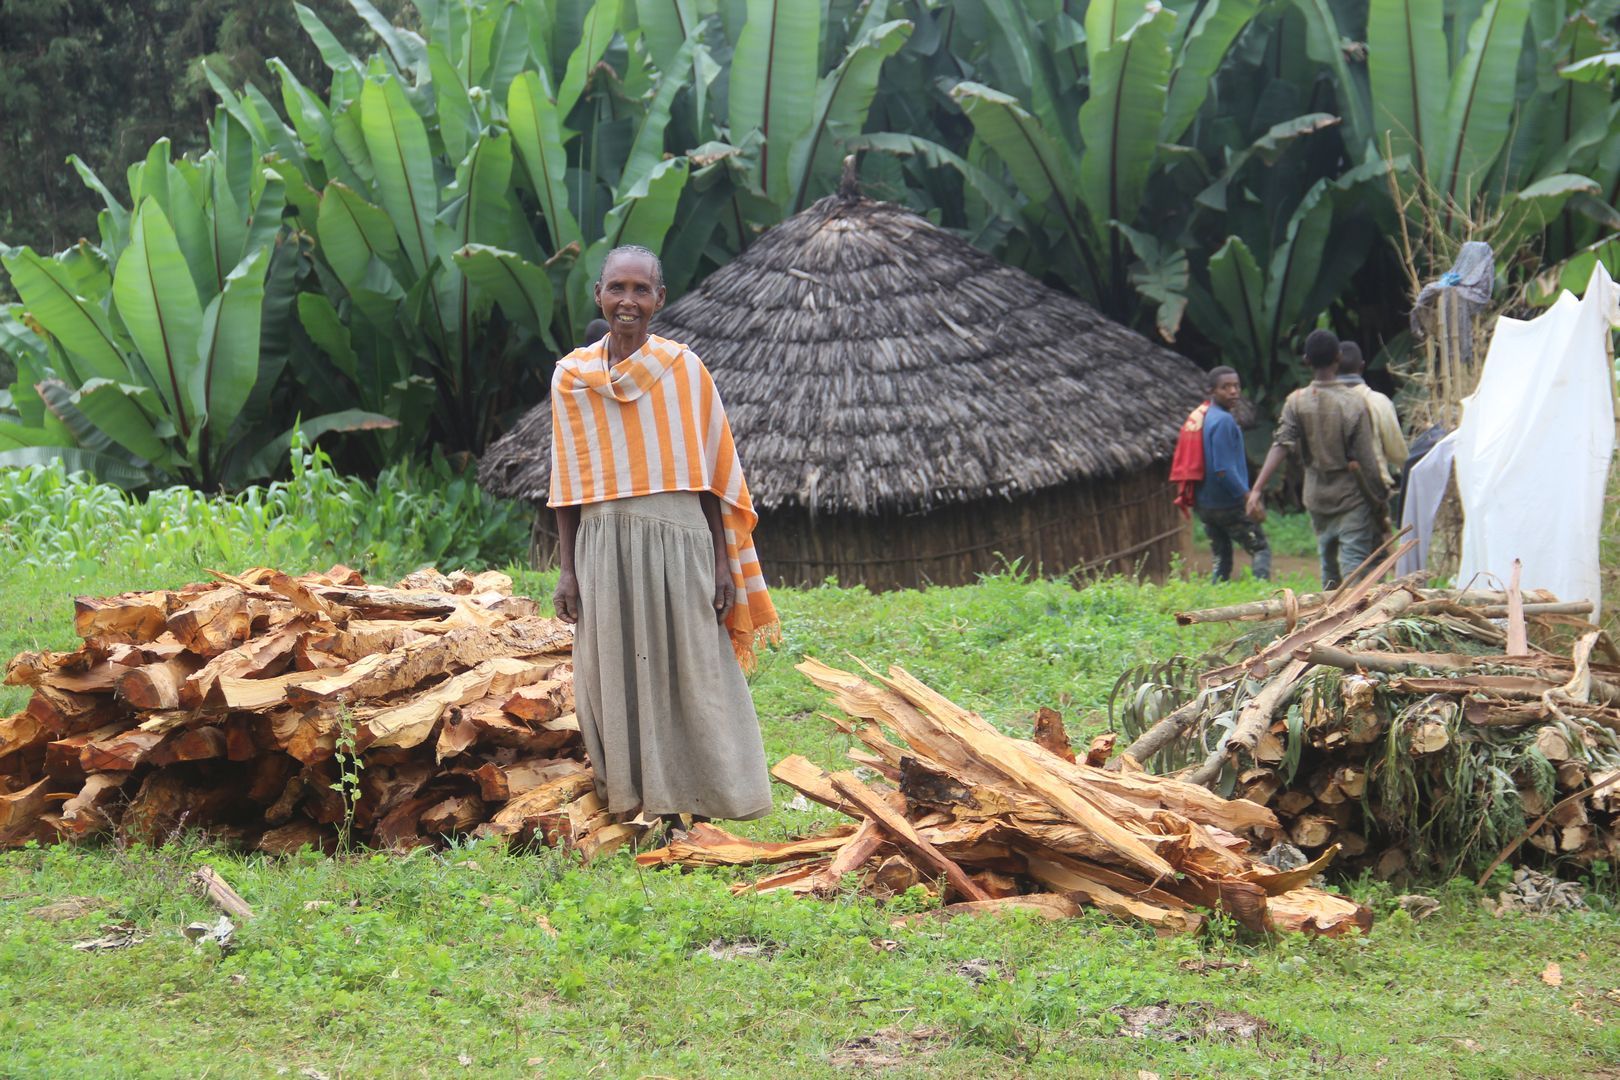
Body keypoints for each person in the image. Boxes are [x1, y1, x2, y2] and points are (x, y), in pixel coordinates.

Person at [548, 245, 776, 831]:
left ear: (659, 300)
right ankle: (635, 800)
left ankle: (704, 799)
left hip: (679, 540)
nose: (628, 301)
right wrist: (568, 569)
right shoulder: (572, 378)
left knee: (693, 666)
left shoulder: (685, 370)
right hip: (602, 545)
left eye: (641, 290)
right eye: (617, 288)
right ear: (598, 294)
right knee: (611, 668)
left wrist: (724, 565)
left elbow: (712, 479)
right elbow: (567, 484)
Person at [1247, 330, 1389, 590]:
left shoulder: (1296, 401)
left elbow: (1281, 443)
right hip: (1351, 498)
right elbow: (1367, 460)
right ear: (1338, 357)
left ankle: (1329, 619)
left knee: (1328, 565)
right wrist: (1379, 498)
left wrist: (1257, 489)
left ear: (1306, 360)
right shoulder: (1353, 403)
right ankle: (1356, 622)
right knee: (1354, 565)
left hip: (1316, 497)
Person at [1194, 367, 1270, 582]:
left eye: (1236, 386)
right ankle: (1261, 595)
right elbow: (1223, 469)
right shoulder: (1224, 421)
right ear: (1212, 390)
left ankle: (1216, 593)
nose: (1233, 391)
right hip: (1228, 504)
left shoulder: (1205, 416)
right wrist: (1248, 497)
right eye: (1225, 387)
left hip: (1205, 504)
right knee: (1260, 549)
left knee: (1221, 556)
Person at [1336, 342, 1407, 490]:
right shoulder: (1378, 402)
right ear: (1362, 366)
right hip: (1373, 493)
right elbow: (1398, 454)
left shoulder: (1319, 403)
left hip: (1331, 494)